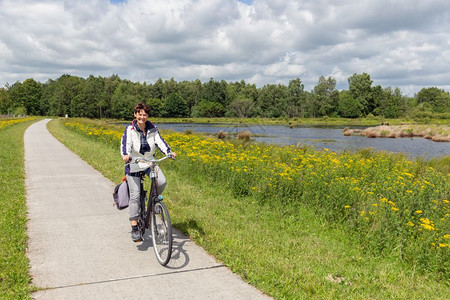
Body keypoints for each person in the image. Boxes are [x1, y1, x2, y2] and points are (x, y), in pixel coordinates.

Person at [120, 102, 176, 242]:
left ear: (148, 116)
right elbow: (125, 144)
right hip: (133, 163)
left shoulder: (153, 129)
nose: (142, 117)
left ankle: (154, 203)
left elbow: (160, 142)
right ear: (135, 115)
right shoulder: (130, 129)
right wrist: (126, 155)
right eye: (139, 114)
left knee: (161, 181)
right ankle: (135, 228)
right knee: (135, 195)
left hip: (149, 162)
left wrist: (169, 152)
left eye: (145, 115)